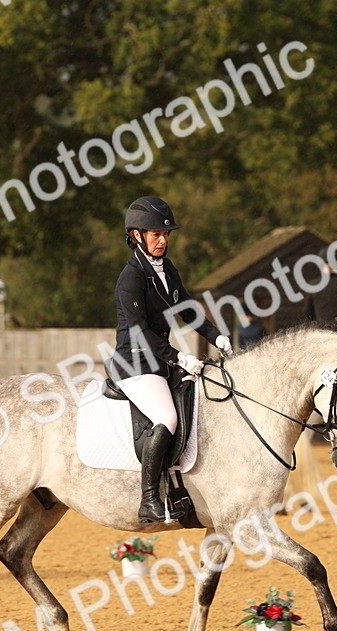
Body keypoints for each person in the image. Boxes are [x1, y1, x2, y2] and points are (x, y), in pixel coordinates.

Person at [108, 196, 232, 523]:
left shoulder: (167, 269)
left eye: (165, 234)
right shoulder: (131, 278)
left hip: (159, 361)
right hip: (134, 363)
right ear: (136, 235)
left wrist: (217, 336)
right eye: (155, 234)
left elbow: (188, 310)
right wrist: (179, 358)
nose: (162, 240)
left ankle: (185, 488)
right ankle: (149, 498)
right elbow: (140, 332)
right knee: (167, 417)